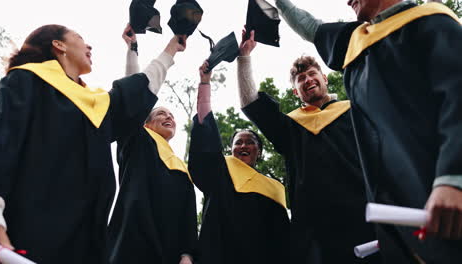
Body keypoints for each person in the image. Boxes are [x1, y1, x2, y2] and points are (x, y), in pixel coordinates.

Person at [273, 0, 462, 262]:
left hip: (446, 197)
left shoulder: (431, 23)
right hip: (400, 219)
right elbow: (311, 27)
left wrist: (453, 178)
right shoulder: (357, 42)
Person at [0, 23, 179, 264]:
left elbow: (135, 93)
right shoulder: (25, 81)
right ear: (58, 45)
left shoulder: (94, 105)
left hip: (85, 244)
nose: (89, 45)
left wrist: (172, 47)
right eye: (79, 38)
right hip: (26, 237)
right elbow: (1, 146)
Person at [238, 30, 380, 263]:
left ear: (325, 78)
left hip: (365, 219)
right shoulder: (291, 126)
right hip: (313, 234)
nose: (308, 80)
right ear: (296, 92)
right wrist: (244, 58)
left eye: (313, 74)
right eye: (301, 79)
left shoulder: (355, 112)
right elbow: (251, 103)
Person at [107, 24, 197, 264]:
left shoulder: (180, 166)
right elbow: (130, 100)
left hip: (168, 252)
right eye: (160, 114)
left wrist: (187, 254)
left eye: (171, 115)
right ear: (145, 123)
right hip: (132, 245)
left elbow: (187, 214)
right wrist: (132, 50)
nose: (168, 117)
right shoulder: (138, 140)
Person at [188, 60, 290, 264]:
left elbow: (283, 242)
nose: (243, 146)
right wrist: (205, 84)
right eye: (238, 142)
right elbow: (205, 140)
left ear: (259, 152)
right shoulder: (220, 170)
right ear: (231, 149)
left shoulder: (274, 188)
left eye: (250, 142)